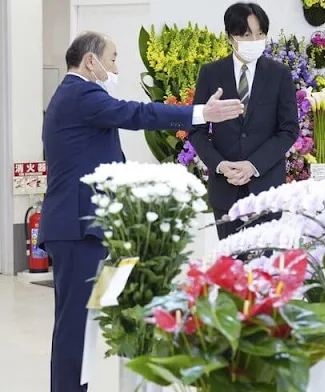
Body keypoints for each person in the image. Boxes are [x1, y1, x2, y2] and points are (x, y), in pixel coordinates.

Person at [39, 31, 244, 392]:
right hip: (78, 231)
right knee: (75, 324)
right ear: (91, 61)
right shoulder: (81, 93)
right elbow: (138, 113)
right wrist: (202, 113)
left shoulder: (74, 97)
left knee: (94, 319)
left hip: (91, 230)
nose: (116, 66)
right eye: (113, 58)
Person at [189, 2, 298, 239]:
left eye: (260, 34)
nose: (255, 40)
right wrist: (220, 165)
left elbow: (289, 130)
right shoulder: (211, 73)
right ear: (230, 37)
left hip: (266, 187)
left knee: (266, 265)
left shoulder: (279, 74)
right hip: (225, 188)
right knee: (231, 268)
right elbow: (197, 129)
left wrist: (254, 165)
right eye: (247, 35)